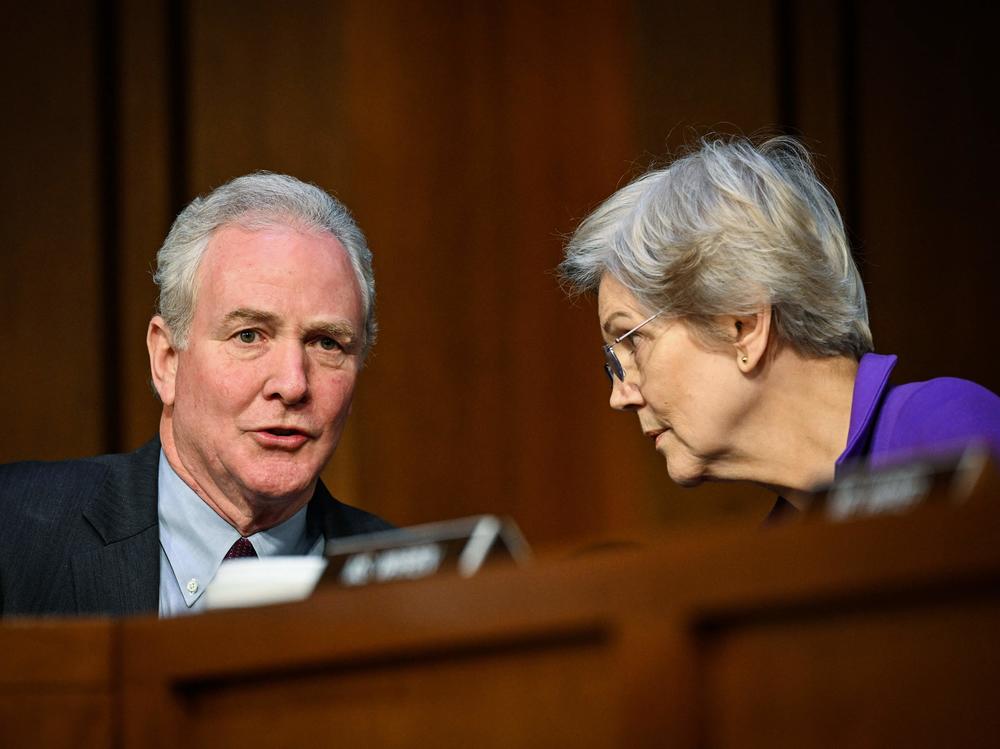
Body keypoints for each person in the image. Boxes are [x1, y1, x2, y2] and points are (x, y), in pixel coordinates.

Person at [0, 173, 393, 617]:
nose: (292, 384)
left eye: (326, 343)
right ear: (167, 359)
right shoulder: (12, 531)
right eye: (249, 336)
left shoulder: (411, 586)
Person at [559, 136, 1000, 516]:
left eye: (632, 341)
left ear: (742, 323)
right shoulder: (777, 547)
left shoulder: (945, 434)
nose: (620, 396)